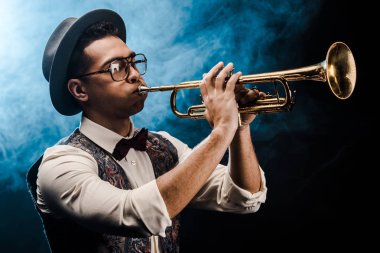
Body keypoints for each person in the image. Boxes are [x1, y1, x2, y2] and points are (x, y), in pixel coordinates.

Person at [27, 9, 267, 253]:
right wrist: (222, 130)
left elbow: (244, 198)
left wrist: (238, 128)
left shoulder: (165, 145)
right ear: (79, 90)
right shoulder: (60, 166)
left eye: (133, 62)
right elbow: (138, 215)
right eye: (116, 67)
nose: (134, 75)